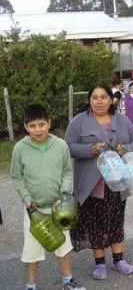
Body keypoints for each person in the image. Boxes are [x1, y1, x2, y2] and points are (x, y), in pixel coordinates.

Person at [64, 82, 133, 281]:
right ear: (89, 100)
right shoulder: (79, 121)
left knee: (116, 222)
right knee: (95, 225)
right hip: (92, 185)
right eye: (95, 98)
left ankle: (119, 259)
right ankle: (99, 264)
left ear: (111, 99)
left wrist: (126, 148)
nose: (99, 102)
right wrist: (91, 150)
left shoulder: (122, 120)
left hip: (118, 183)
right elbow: (68, 147)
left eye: (103, 97)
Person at [10, 104, 85, 290]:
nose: (38, 130)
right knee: (31, 251)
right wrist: (26, 196)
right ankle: (30, 286)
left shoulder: (60, 145)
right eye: (33, 126)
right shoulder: (20, 148)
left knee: (64, 246)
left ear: (49, 123)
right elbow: (16, 176)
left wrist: (65, 190)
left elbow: (68, 171)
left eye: (42, 124)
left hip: (58, 208)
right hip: (33, 211)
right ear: (26, 127)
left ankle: (67, 280)